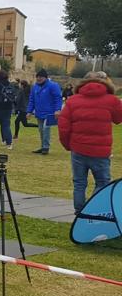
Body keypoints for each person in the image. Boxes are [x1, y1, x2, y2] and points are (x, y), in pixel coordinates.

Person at [58, 73, 122, 212]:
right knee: (103, 182)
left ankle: (80, 211)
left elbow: (63, 126)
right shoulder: (111, 100)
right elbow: (118, 119)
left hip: (78, 147)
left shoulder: (73, 100)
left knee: (79, 183)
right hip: (100, 150)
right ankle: (91, 209)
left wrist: (67, 145)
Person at [27, 69, 63, 155]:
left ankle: (46, 147)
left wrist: (58, 110)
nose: (39, 79)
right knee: (41, 130)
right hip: (39, 112)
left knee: (45, 129)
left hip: (49, 113)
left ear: (45, 78)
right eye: (37, 77)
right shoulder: (35, 87)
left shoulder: (53, 86)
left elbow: (58, 98)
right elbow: (32, 100)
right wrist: (29, 111)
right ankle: (43, 146)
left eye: (41, 77)